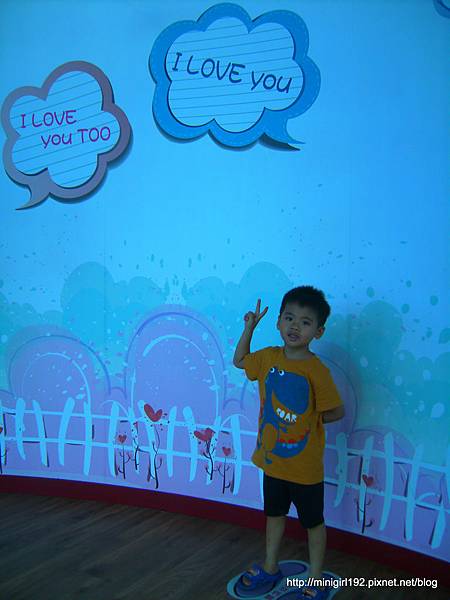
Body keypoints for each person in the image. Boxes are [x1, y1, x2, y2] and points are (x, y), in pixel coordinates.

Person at [233, 286, 345, 600]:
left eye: (305, 322)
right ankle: (271, 567)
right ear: (279, 322)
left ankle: (316, 577)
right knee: (274, 515)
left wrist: (307, 421)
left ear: (318, 332)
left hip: (305, 469)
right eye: (289, 318)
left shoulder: (317, 371)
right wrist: (249, 328)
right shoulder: (268, 357)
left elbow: (336, 411)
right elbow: (239, 360)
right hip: (272, 462)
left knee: (313, 523)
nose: (295, 326)